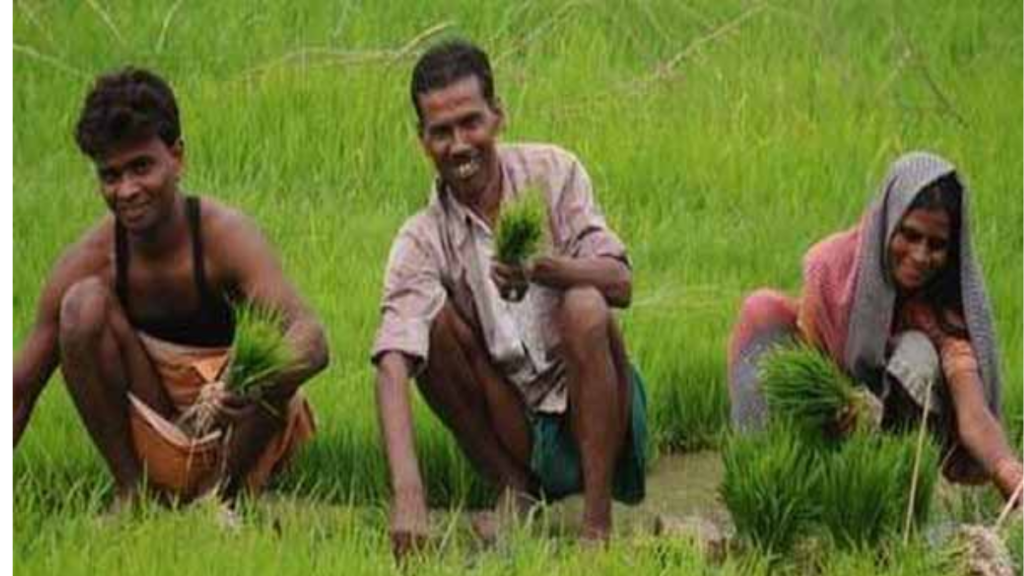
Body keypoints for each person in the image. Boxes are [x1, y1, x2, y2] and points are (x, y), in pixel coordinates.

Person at [372, 39, 646, 554]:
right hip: (516, 418)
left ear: (499, 115)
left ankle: (596, 527)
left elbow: (620, 283)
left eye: (471, 122)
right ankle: (515, 492)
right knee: (426, 328)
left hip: (601, 407)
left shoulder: (553, 172)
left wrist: (545, 269)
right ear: (422, 139)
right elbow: (390, 359)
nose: (459, 145)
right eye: (441, 132)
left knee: (585, 304)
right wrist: (408, 496)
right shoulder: (421, 238)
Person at [12, 68, 329, 509]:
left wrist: (251, 380)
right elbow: (19, 390)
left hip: (238, 431)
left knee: (278, 346)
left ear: (177, 158)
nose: (127, 190)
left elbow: (312, 338)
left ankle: (221, 501)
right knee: (81, 306)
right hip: (155, 427)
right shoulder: (91, 257)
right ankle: (134, 495)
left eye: (141, 167)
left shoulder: (226, 236)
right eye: (111, 175)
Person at [728, 151, 1023, 503]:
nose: (920, 255)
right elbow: (809, 374)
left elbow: (972, 411)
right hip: (832, 408)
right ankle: (770, 487)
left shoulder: (944, 304)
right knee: (762, 310)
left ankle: (898, 498)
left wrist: (1008, 469)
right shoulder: (831, 269)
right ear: (887, 222)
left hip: (892, 427)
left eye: (936, 244)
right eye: (910, 235)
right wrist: (843, 407)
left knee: (918, 353)